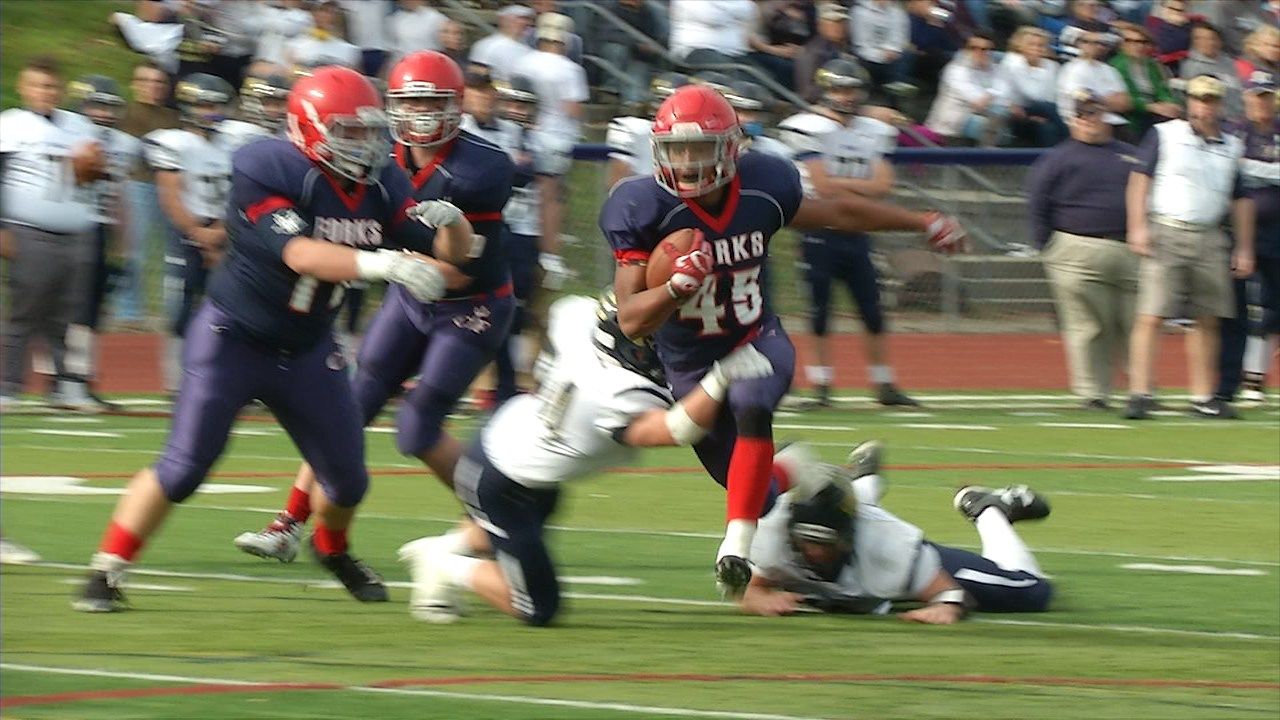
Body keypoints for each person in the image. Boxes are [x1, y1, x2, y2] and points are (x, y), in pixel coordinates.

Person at [73, 66, 461, 612]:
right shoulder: (268, 167)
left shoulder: (382, 183)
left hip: (308, 347)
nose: (365, 143)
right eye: (349, 130)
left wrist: (455, 226)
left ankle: (332, 549)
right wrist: (386, 264)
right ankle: (106, 569)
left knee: (348, 480)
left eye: (370, 130)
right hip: (234, 338)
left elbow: (448, 256)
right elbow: (300, 254)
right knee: (184, 467)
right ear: (309, 128)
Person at [600, 83, 966, 596]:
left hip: (756, 334)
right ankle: (833, 480)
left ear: (731, 147)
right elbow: (632, 320)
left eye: (700, 148)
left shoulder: (764, 183)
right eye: (676, 149)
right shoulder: (640, 204)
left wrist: (920, 221)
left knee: (752, 400)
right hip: (689, 362)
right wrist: (677, 286)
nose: (687, 162)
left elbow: (837, 213)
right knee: (761, 493)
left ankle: (736, 548)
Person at [232, 52, 516, 565]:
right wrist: (388, 264)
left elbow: (462, 270)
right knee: (347, 405)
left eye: (432, 103)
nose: (421, 114)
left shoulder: (481, 169)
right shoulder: (375, 153)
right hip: (409, 295)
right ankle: (290, 522)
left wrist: (396, 260)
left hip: (470, 306)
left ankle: (502, 518)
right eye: (410, 103)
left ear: (456, 105)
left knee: (417, 427)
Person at [397, 293, 786, 625]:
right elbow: (677, 430)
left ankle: (451, 546)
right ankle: (441, 562)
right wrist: (722, 376)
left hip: (516, 442)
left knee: (509, 536)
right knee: (537, 607)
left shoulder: (580, 318)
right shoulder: (616, 393)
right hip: (500, 481)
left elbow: (569, 310)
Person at [739, 443, 1053, 621]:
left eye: (827, 543)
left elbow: (950, 594)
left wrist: (948, 607)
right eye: (807, 541)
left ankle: (988, 509)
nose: (815, 552)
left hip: (890, 554)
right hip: (857, 535)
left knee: (1032, 591)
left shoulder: (887, 546)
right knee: (853, 510)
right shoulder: (772, 533)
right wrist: (757, 598)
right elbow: (752, 588)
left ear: (848, 537)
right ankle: (864, 478)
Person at [777, 59, 920, 408]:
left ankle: (883, 383)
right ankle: (821, 384)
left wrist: (841, 187)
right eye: (841, 89)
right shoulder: (808, 126)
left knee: (872, 311)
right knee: (819, 312)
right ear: (827, 90)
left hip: (857, 232)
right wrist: (858, 189)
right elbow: (822, 186)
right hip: (818, 232)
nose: (847, 96)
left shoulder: (874, 130)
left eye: (853, 89)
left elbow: (883, 186)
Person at [1123, 74, 1256, 420]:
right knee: (1151, 313)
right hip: (1167, 228)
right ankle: (1140, 392)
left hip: (1210, 234)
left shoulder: (1231, 145)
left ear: (1219, 104)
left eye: (1209, 100)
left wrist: (1244, 247)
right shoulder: (1164, 134)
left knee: (1207, 317)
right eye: (1197, 99)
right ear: (1189, 101)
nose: (1203, 106)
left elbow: (1241, 198)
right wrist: (1137, 226)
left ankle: (1202, 396)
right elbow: (1139, 180)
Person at [0, 57, 103, 410]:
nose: (45, 92)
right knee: (26, 309)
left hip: (76, 231)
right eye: (38, 85)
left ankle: (66, 383)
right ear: (23, 88)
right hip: (30, 230)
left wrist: (91, 167)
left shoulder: (79, 126)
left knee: (69, 314)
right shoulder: (10, 124)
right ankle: (8, 385)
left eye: (51, 86)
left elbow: (94, 178)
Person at [1027, 90, 1140, 410]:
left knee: (1137, 324)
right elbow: (1037, 205)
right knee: (1086, 327)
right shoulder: (1056, 159)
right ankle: (1093, 394)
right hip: (1075, 249)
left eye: (1093, 112)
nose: (1088, 119)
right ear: (1072, 119)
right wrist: (1050, 249)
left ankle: (1142, 390)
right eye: (1081, 113)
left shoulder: (1132, 156)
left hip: (1131, 247)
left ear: (1106, 116)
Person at [144, 73, 236, 394]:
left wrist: (222, 231)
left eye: (217, 106)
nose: (212, 113)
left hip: (224, 232)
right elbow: (170, 196)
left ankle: (219, 373)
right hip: (186, 232)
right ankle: (176, 380)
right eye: (205, 105)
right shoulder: (174, 143)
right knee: (181, 307)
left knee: (226, 309)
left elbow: (239, 195)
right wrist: (198, 232)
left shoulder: (233, 142)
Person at [61, 75, 145, 412]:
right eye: (97, 105)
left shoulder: (123, 144)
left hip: (101, 228)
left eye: (110, 107)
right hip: (67, 225)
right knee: (67, 306)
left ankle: (77, 379)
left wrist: (123, 243)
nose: (104, 114)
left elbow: (119, 195)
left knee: (92, 308)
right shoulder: (64, 134)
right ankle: (66, 380)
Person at [1220, 72, 1279, 405]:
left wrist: (1251, 168)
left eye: (1267, 96)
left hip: (1277, 231)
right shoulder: (1234, 131)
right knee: (1238, 306)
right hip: (1240, 230)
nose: (1262, 102)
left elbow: (1242, 169)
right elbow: (1230, 169)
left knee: (1273, 307)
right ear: (1246, 97)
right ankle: (1233, 376)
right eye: (1257, 96)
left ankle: (1256, 376)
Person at [114, 61, 180, 327]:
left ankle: (173, 311)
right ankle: (128, 311)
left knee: (174, 251)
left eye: (158, 82)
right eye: (146, 81)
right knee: (135, 249)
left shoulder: (173, 118)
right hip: (137, 185)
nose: (153, 87)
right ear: (135, 84)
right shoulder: (125, 114)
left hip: (171, 188)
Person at [926, 30, 1012, 146]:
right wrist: (995, 95)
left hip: (984, 115)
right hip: (954, 119)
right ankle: (986, 153)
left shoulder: (995, 69)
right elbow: (977, 101)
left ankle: (987, 151)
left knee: (1002, 122)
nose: (978, 52)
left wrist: (993, 97)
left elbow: (1006, 95)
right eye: (972, 48)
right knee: (994, 121)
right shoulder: (955, 70)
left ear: (991, 52)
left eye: (984, 49)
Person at [604, 71, 688, 189]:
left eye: (664, 100)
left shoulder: (690, 134)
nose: (658, 105)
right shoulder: (633, 129)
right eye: (659, 99)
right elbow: (617, 185)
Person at [1111, 24, 1182, 138]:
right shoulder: (1116, 65)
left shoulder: (1152, 65)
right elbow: (1124, 100)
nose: (1138, 46)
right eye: (1130, 41)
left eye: (1143, 42)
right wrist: (1151, 106)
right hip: (1133, 117)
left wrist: (1169, 103)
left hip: (1156, 113)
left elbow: (1162, 89)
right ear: (1122, 44)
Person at [1000, 27, 1066, 147]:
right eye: (1031, 44)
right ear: (1019, 46)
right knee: (1046, 107)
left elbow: (1057, 95)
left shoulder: (1052, 66)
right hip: (1018, 113)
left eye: (1041, 45)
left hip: (1048, 112)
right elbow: (1033, 94)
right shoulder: (1012, 62)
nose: (1036, 48)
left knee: (1048, 128)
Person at [1057, 30, 1131, 126]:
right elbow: (1080, 96)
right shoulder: (1071, 68)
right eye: (1087, 42)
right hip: (1080, 121)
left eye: (1099, 43)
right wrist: (1106, 101)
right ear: (1079, 44)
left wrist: (1097, 100)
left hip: (1112, 120)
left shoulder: (1110, 70)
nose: (1094, 46)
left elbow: (1124, 102)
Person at [1180, 21, 1245, 119]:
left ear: (1219, 41)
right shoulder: (1190, 67)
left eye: (1210, 38)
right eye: (1199, 38)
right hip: (1215, 119)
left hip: (1241, 116)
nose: (1205, 42)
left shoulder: (1232, 63)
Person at [851, 0, 916, 97]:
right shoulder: (859, 12)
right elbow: (860, 44)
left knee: (907, 55)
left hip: (892, 55)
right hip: (867, 56)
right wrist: (880, 54)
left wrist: (892, 50)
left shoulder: (897, 12)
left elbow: (900, 37)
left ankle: (894, 95)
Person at [219, 68, 292, 153]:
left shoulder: (290, 136)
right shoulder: (231, 133)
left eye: (279, 104)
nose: (273, 109)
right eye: (266, 103)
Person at [795, 2, 850, 103]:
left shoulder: (834, 47)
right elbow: (807, 93)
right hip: (818, 105)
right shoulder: (814, 53)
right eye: (834, 23)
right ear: (821, 25)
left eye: (842, 23)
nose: (839, 27)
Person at [468, 4, 534, 84]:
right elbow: (478, 79)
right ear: (503, 19)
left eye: (528, 19)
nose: (526, 23)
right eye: (521, 18)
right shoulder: (487, 46)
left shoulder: (530, 48)